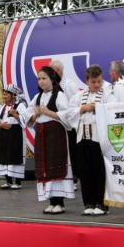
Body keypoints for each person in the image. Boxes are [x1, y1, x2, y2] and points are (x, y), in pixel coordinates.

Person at [62, 65, 116, 216]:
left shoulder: (108, 94)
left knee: (100, 173)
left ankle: (102, 204)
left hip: (99, 139)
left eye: (99, 81)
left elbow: (113, 110)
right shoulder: (79, 97)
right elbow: (69, 113)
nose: (97, 84)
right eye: (93, 82)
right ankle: (89, 203)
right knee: (85, 173)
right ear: (87, 81)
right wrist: (83, 108)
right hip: (82, 139)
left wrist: (98, 108)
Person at [25, 66, 75, 214]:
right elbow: (28, 116)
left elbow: (67, 115)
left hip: (56, 134)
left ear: (52, 80)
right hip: (42, 135)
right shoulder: (38, 97)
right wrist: (36, 114)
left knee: (56, 163)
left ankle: (60, 202)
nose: (41, 82)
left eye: (44, 78)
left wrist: (48, 112)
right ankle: (51, 201)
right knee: (45, 166)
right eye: (39, 79)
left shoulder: (59, 95)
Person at [49, 60, 80, 191]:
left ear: (57, 71)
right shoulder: (51, 86)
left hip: (70, 125)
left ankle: (74, 179)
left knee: (72, 152)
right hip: (56, 125)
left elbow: (76, 105)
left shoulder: (69, 85)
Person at [0, 84, 27, 189]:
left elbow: (26, 121)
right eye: (4, 93)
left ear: (13, 95)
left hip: (16, 134)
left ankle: (17, 182)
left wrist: (16, 115)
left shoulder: (20, 106)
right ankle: (8, 181)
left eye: (7, 93)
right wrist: (0, 125)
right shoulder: (4, 107)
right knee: (5, 156)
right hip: (5, 134)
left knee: (15, 156)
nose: (4, 95)